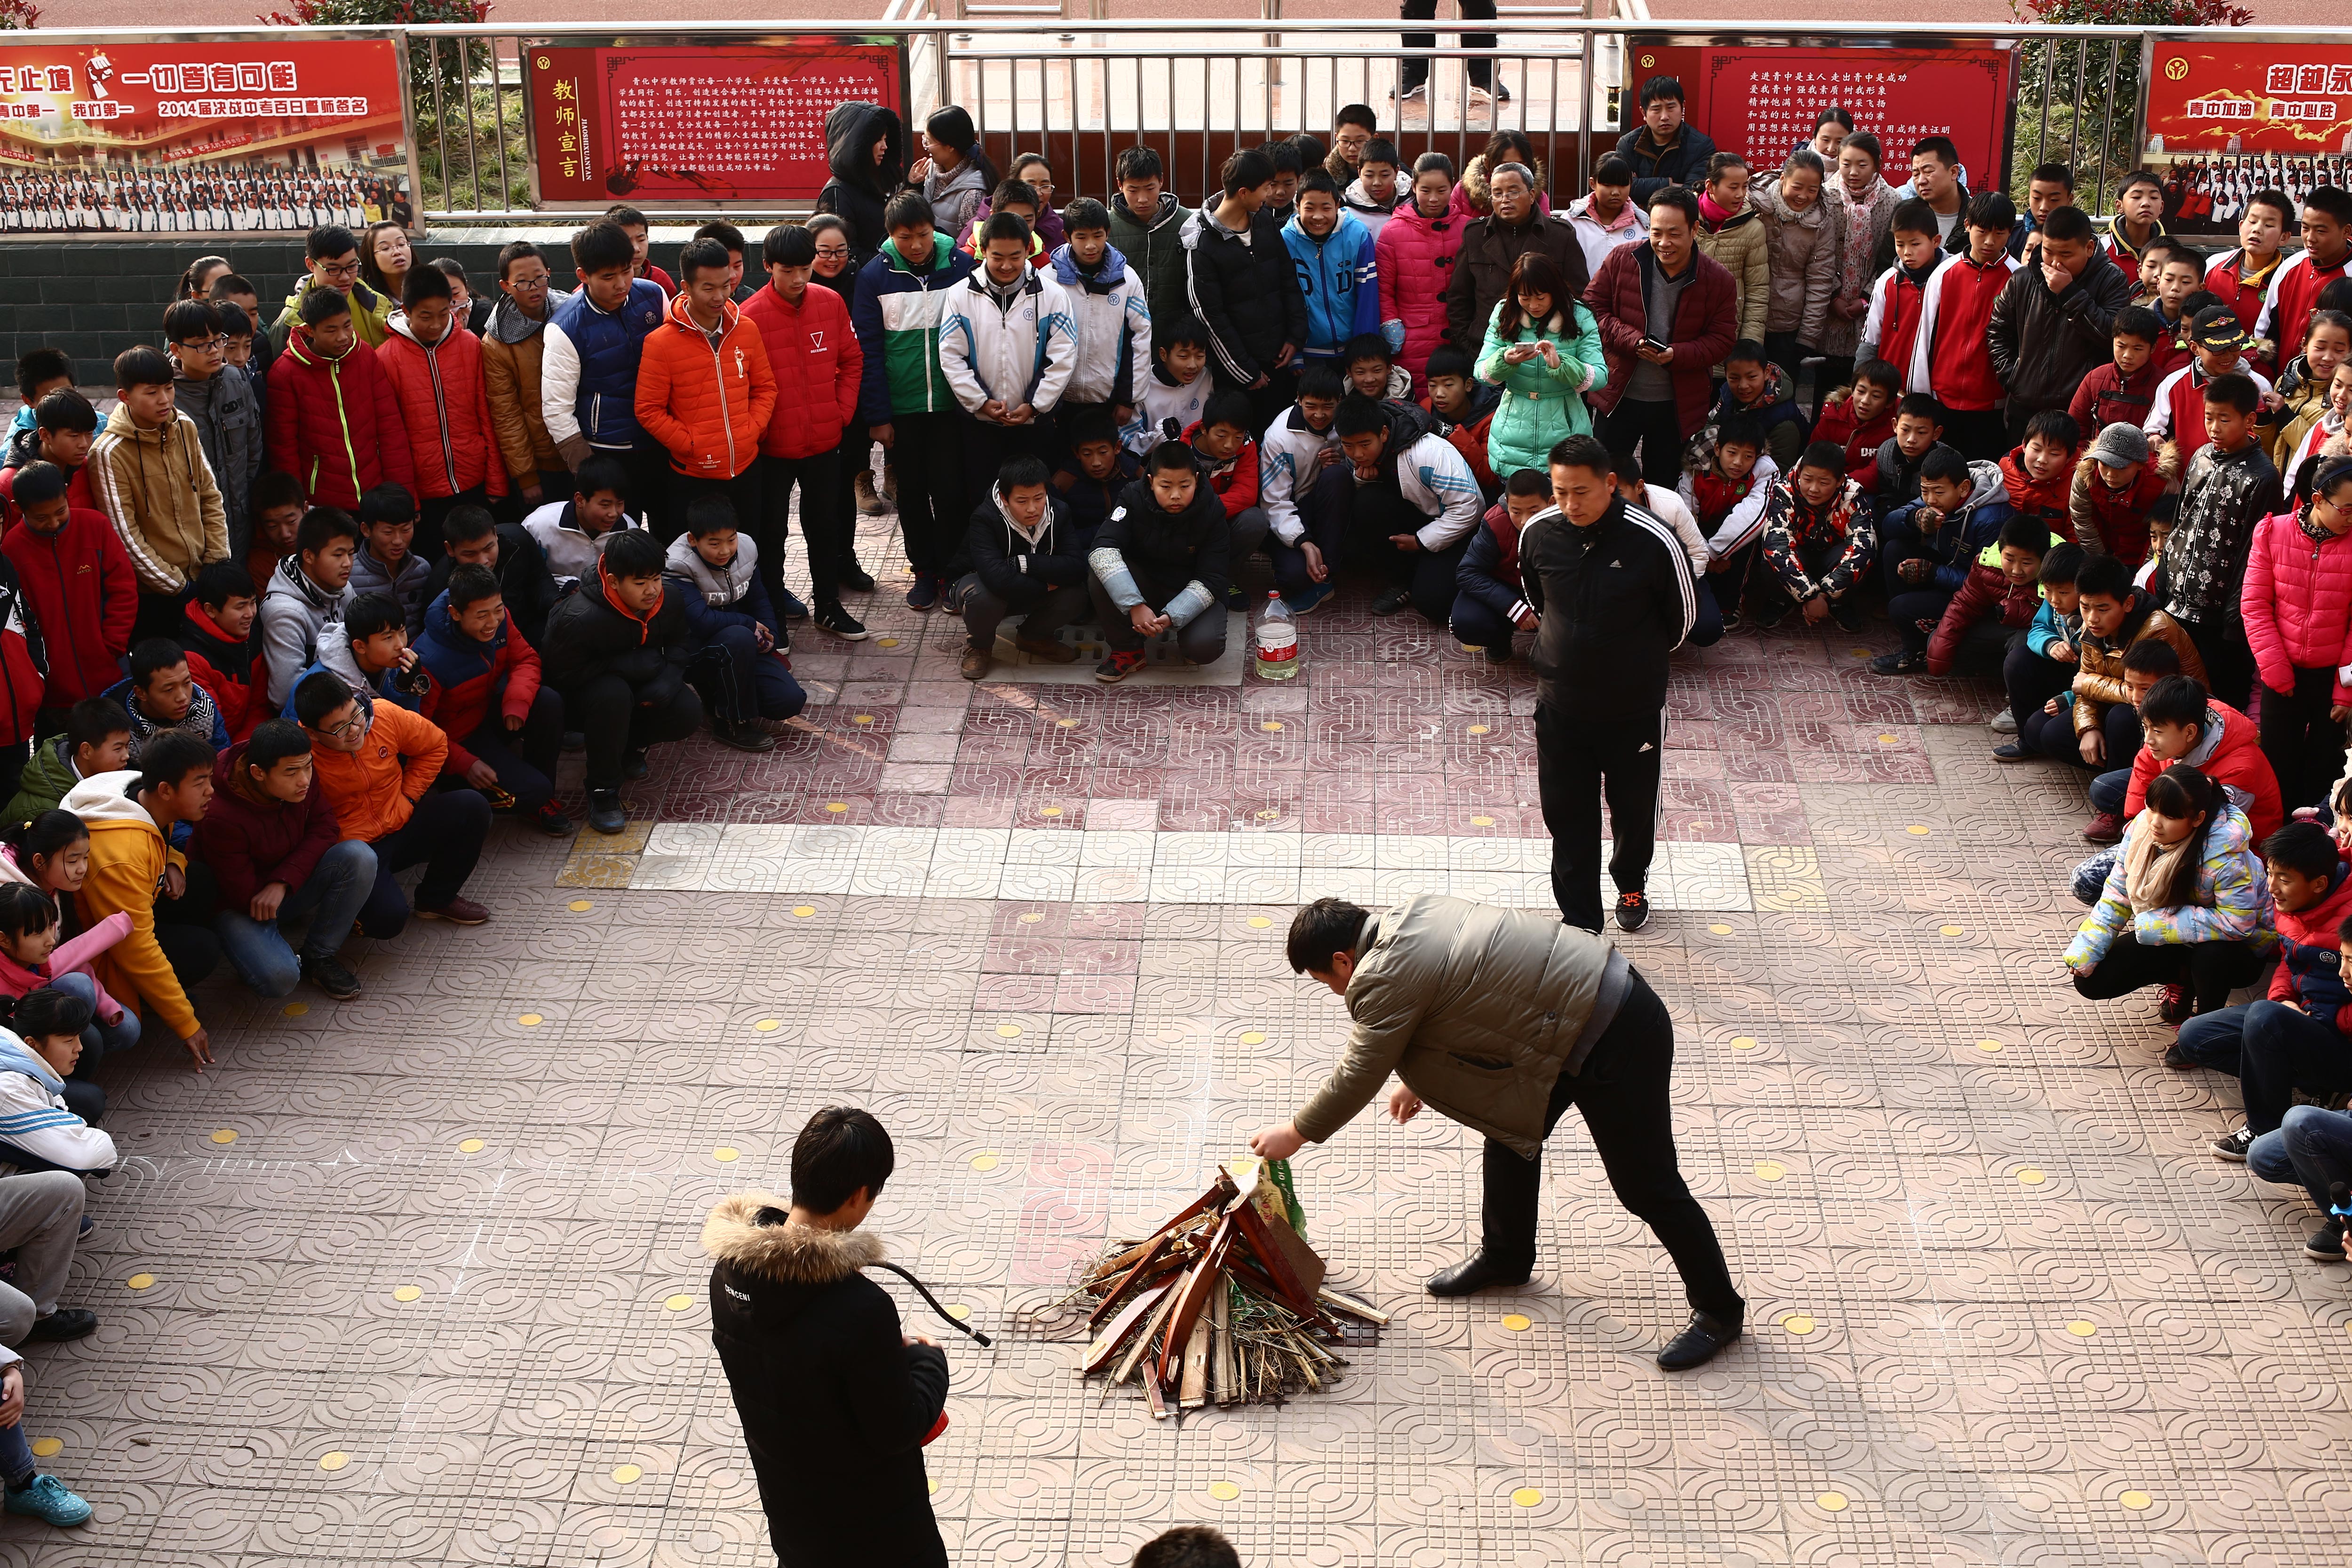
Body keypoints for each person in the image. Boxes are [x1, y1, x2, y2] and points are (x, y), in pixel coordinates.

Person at [1247, 895, 1744, 1369]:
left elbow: (1359, 1070)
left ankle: (1719, 1312)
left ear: (1341, 961)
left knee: (1647, 1186)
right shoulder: (1411, 916)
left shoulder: (1380, 974)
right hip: (1569, 1019)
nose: (1334, 992)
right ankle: (1506, 1258)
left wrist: (1295, 1132)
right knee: (1507, 1131)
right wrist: (1410, 1079)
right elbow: (1454, 998)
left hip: (1616, 1033)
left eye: (1324, 982)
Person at [702, 1106, 950, 1568]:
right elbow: (897, 1428)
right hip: (880, 1537)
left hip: (797, 1527)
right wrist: (928, 1363)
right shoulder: (861, 1309)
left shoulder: (728, 1277)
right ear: (859, 1195)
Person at [1519, 435, 1695, 931]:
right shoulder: (1537, 532)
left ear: (1610, 484)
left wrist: (1629, 664)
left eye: (1581, 492)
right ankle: (1580, 924)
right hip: (1560, 707)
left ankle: (1631, 882)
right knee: (1567, 817)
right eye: (1559, 492)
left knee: (1632, 809)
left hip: (1631, 709)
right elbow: (1538, 599)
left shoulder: (1654, 539)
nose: (1569, 504)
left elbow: (1682, 622)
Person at [2174, 823, 2352, 1144]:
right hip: (2302, 1018)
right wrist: (2283, 999)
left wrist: (2335, 1019)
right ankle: (2312, 1086)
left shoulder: (2348, 921)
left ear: (2319, 884)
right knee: (2194, 1037)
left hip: (2342, 1041)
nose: (2271, 887)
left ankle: (2263, 1130)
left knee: (2264, 1018)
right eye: (2270, 873)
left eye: (2284, 879)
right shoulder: (2291, 905)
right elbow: (2289, 961)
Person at [735, 225, 865, 640]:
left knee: (825, 526)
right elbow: (744, 386)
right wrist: (760, 428)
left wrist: (841, 412)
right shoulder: (749, 316)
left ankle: (828, 606)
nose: (798, 279)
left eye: (805, 269)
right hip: (772, 448)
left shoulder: (831, 303)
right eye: (787, 270)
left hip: (825, 442)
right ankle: (774, 610)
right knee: (771, 533)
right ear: (768, 266)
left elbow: (851, 359)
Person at [64, 731, 221, 1071]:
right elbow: (135, 947)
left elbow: (155, 839)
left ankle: (159, 996)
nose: (211, 791)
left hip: (129, 908)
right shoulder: (124, 856)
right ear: (166, 789)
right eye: (200, 783)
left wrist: (172, 860)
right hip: (93, 950)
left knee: (201, 881)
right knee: (203, 950)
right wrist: (186, 1022)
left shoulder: (136, 792)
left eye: (210, 779)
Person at [2067, 763, 2272, 1024]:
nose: (2156, 822)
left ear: (2197, 818)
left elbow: (2239, 924)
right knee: (2092, 981)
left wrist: (2165, 923)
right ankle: (2183, 980)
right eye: (2152, 808)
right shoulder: (2141, 829)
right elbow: (2118, 893)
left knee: (2211, 957)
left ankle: (2206, 1028)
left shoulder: (2227, 859)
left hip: (2238, 949)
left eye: (2170, 816)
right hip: (2179, 935)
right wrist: (2090, 946)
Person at [853, 191, 979, 613]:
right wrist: (878, 416)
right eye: (905, 237)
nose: (917, 245)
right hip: (902, 410)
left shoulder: (962, 266)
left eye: (923, 234)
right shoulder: (874, 276)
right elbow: (868, 351)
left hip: (953, 404)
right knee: (910, 492)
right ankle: (924, 571)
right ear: (890, 236)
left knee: (950, 490)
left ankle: (951, 570)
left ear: (934, 229)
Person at [294, 670, 490, 933]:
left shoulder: (383, 715)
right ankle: (344, 908)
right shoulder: (298, 758)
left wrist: (408, 796)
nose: (354, 730)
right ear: (312, 733)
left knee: (471, 806)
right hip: (356, 852)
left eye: (356, 715)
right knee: (387, 922)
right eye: (339, 728)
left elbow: (435, 745)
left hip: (401, 821)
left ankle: (436, 899)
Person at [193, 718, 371, 1001]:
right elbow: (240, 891)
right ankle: (254, 950)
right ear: (258, 773)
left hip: (284, 885)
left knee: (359, 856)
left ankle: (319, 957)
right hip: (237, 904)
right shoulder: (220, 815)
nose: (304, 780)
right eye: (291, 773)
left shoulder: (302, 777)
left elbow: (326, 827)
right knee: (280, 978)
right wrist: (281, 884)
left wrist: (283, 881)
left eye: (308, 766)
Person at [538, 528, 702, 835]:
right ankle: (603, 792)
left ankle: (627, 746)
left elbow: (681, 643)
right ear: (613, 581)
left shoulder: (670, 598)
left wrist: (669, 678)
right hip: (583, 698)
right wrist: (625, 665)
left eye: (656, 578)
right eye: (641, 583)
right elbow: (559, 674)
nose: (652, 590)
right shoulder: (579, 617)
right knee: (612, 696)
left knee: (687, 711)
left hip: (636, 683)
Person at [1585, 189, 1739, 486]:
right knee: (1604, 480)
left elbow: (1722, 340)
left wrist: (1677, 355)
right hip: (1619, 396)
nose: (1664, 243)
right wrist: (1632, 340)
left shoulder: (1718, 279)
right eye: (1657, 233)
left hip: (1676, 406)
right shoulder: (1621, 259)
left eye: (1674, 234)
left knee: (1661, 487)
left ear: (1695, 229)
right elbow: (1592, 309)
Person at [635, 237, 776, 548]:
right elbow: (648, 409)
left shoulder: (747, 329)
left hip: (746, 466)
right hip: (693, 475)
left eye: (726, 285)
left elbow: (766, 387)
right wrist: (690, 445)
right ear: (686, 286)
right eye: (708, 288)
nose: (720, 296)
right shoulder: (661, 343)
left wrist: (751, 431)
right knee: (696, 559)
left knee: (749, 549)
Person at [413, 565, 570, 835]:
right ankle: (458, 789)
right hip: (454, 742)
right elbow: (417, 731)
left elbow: (526, 659)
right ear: (455, 614)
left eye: (498, 610)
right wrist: (464, 763)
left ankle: (538, 798)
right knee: (535, 791)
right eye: (482, 616)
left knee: (547, 701)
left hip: (484, 713)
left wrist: (516, 703)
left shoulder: (501, 621)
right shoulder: (428, 661)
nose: (493, 622)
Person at [91, 346, 229, 642]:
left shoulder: (185, 427)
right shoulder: (109, 453)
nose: (164, 400)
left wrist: (217, 561)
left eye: (169, 388)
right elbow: (126, 535)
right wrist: (179, 586)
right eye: (152, 392)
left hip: (204, 578)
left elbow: (209, 495)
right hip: (156, 595)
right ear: (125, 397)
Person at [939, 212, 1079, 502]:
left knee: (1035, 501)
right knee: (983, 499)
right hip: (980, 424)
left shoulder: (1053, 296)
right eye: (997, 257)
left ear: (1029, 250)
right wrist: (981, 403)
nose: (1006, 265)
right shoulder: (959, 296)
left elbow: (1063, 356)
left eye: (1015, 256)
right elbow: (952, 356)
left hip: (1035, 424)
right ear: (983, 251)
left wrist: (1035, 405)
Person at [2164, 372, 2284, 708]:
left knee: (2219, 701)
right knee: (2173, 695)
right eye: (2208, 417)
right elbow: (2180, 520)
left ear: (2249, 420)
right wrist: (2165, 575)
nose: (2214, 427)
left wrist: (2234, 620)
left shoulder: (2263, 476)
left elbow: (2253, 554)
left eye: (2224, 419)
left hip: (2221, 618)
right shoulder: (2201, 455)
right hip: (2178, 603)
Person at [2241, 458, 2352, 809]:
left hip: (2333, 677)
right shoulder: (2273, 533)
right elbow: (2255, 605)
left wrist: (2344, 690)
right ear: (2318, 500)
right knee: (2278, 765)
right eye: (2346, 509)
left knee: (2324, 768)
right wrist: (2275, 670)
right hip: (2280, 674)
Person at [2047, 555, 2203, 793]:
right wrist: (2089, 728)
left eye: (2103, 609)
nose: (2092, 618)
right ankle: (2116, 774)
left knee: (2120, 718)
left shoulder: (2157, 629)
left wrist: (2090, 684)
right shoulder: (2093, 626)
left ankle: (2118, 799)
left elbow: (2150, 694)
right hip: (2122, 700)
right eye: (2085, 607)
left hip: (2167, 714)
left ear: (2128, 604)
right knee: (2048, 733)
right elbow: (2083, 682)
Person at [543, 218, 669, 513]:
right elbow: (556, 409)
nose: (622, 283)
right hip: (608, 451)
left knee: (670, 532)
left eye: (627, 271)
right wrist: (589, 470)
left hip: (661, 441)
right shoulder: (565, 328)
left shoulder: (653, 296)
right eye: (608, 276)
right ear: (583, 275)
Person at [0, 460, 135, 730]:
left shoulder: (95, 526)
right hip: (55, 691)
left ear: (66, 492)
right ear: (18, 509)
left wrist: (113, 644)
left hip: (111, 673)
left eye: (60, 511)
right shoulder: (12, 550)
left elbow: (124, 589)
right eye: (41, 518)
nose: (53, 522)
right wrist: (41, 672)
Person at [378, 266, 507, 550]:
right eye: (426, 316)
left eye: (443, 313)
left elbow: (486, 413)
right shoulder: (387, 358)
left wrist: (496, 479)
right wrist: (407, 498)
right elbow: (390, 435)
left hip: (473, 478)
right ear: (407, 311)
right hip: (424, 490)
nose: (436, 324)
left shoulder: (470, 344)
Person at [1323, 393, 1481, 622]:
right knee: (1366, 505)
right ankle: (1402, 579)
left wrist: (1420, 541)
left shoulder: (1429, 454)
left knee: (1434, 604)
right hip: (1415, 516)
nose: (1357, 454)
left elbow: (1471, 507)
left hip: (1457, 528)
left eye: (1365, 445)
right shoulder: (1354, 448)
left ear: (1384, 433)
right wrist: (1362, 481)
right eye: (1349, 446)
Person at [1184, 149, 1311, 432]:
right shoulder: (1202, 243)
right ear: (1243, 192)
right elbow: (1209, 316)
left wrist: (1295, 336)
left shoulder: (1264, 219)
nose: (1271, 194)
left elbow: (1287, 279)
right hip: (1239, 375)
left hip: (1279, 361)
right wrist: (1246, 372)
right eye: (1266, 188)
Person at [1084, 440, 1232, 682]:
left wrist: (1175, 615)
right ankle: (1128, 650)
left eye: (1185, 486)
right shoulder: (1132, 497)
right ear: (1151, 482)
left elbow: (1213, 577)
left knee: (1205, 648)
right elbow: (1103, 549)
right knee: (1100, 570)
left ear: (1196, 479)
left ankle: (1187, 638)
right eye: (1166, 486)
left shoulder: (1212, 510)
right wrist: (1134, 605)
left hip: (1191, 586)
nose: (1176, 496)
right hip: (1145, 584)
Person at [264, 287, 415, 521]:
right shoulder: (285, 374)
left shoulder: (365, 355)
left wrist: (404, 497)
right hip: (322, 503)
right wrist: (296, 506)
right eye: (331, 330)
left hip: (373, 494)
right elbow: (285, 449)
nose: (343, 337)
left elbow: (390, 428)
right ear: (310, 330)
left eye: (347, 325)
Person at [663, 500, 804, 749]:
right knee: (738, 637)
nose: (725, 551)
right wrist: (751, 625)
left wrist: (769, 635)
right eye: (714, 543)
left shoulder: (748, 548)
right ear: (693, 540)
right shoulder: (677, 565)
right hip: (695, 650)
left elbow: (759, 597)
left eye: (731, 539)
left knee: (789, 702)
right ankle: (731, 721)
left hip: (741, 643)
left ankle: (721, 694)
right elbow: (702, 621)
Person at [1988, 205, 2137, 438]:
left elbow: (2113, 337)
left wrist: (2069, 293)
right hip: (2025, 406)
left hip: (2081, 410)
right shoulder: (2023, 278)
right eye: (2048, 252)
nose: (2056, 262)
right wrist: (2013, 377)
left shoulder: (2112, 279)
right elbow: (1998, 332)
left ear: (2089, 248)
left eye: (2066, 255)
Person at [1874, 449, 2016, 674]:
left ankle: (1917, 650)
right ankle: (1913, 640)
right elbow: (1887, 526)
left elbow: (1987, 586)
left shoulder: (1991, 519)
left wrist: (1932, 573)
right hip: (1949, 572)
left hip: (1977, 600)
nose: (1930, 500)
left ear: (1963, 488)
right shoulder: (1937, 495)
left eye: (1938, 492)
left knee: (1901, 608)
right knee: (1895, 549)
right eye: (1924, 492)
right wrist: (1914, 519)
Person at [951, 455, 1088, 681]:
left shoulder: (1060, 512)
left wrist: (1025, 563)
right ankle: (980, 646)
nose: (1033, 509)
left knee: (1076, 594)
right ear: (1005, 498)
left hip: (1024, 585)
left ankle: (1033, 637)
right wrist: (1044, 587)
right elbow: (995, 577)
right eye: (1022, 501)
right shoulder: (985, 518)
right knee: (982, 595)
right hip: (984, 587)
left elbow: (1076, 566)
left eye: (1039, 498)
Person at [1474, 250, 1606, 480]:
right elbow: (1481, 372)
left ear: (1554, 291)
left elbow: (1600, 376)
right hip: (1513, 432)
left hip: (1566, 431)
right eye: (1524, 298)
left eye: (1541, 298)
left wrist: (1562, 365)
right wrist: (1505, 361)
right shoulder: (1505, 312)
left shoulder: (1579, 315)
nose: (1533, 305)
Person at [1909, 193, 2020, 459]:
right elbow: (1924, 335)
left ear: (2011, 233)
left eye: (2000, 233)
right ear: (1968, 225)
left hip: (1992, 404)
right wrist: (1921, 395)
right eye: (1982, 231)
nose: (1990, 241)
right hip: (1942, 399)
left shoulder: (2018, 278)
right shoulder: (1945, 273)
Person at [1444, 161, 1583, 370]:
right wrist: (1467, 344)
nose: (1505, 200)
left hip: (1546, 353)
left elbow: (1579, 295)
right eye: (1497, 193)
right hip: (1486, 351)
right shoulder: (1475, 235)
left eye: (1513, 192)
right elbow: (1459, 298)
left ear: (1532, 194)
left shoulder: (1560, 235)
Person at [164, 298, 262, 557]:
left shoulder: (236, 379)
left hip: (239, 517)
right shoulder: (166, 398)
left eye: (219, 340)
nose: (215, 351)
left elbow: (254, 444)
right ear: (176, 349)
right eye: (203, 345)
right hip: (193, 526)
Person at [1048, 199, 1152, 437]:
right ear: (1067, 236)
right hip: (1058, 399)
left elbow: (1139, 339)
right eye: (1082, 237)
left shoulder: (1127, 280)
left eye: (1098, 236)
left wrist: (1129, 399)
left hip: (1109, 399)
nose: (1091, 245)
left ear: (1108, 233)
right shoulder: (1049, 279)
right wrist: (1043, 399)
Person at [480, 241, 568, 513]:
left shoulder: (570, 311)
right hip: (542, 462)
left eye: (540, 278)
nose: (533, 287)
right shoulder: (497, 342)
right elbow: (506, 413)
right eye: (522, 282)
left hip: (582, 448)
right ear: (505, 285)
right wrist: (526, 476)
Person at [1749, 441, 1873, 632]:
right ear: (1800, 474)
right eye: (1807, 479)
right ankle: (1781, 601)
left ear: (1840, 480)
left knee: (1860, 558)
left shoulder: (1853, 494)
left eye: (1824, 483)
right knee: (1770, 556)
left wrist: (1824, 596)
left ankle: (1838, 603)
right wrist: (1809, 596)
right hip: (1799, 556)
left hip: (1832, 561)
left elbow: (1864, 548)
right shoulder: (1785, 491)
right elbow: (1777, 544)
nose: (1814, 489)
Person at [1749, 149, 1838, 394]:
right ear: (1782, 179)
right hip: (1749, 317)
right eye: (1797, 187)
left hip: (1789, 325)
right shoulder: (1755, 205)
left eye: (1813, 190)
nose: (1803, 196)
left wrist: (1808, 338)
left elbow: (1821, 279)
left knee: (1781, 393)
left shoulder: (1822, 221)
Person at [258, 505, 360, 711]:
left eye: (351, 553)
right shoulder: (285, 613)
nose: (348, 563)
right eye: (338, 555)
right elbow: (285, 695)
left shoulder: (343, 587)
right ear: (309, 556)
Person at [1926, 513, 2052, 678]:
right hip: (1997, 628)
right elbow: (1965, 605)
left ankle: (2019, 687)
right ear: (2001, 552)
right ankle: (2000, 673)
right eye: (2009, 559)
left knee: (2023, 649)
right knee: (1938, 643)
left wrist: (2017, 611)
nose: (2016, 570)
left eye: (2027, 563)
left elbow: (2057, 622)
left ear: (2043, 559)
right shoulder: (1986, 565)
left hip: (2036, 637)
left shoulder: (2056, 574)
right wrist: (1939, 654)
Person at [3, 980, 125, 1150]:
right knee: (89, 1105)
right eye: (69, 1041)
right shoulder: (15, 1088)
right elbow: (80, 1155)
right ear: (31, 1044)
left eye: (77, 1037)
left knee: (92, 1042)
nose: (79, 1047)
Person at [1378, 153, 1462, 394]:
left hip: (1458, 336)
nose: (1434, 199)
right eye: (1425, 190)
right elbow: (1384, 290)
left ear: (1453, 186)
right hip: (1411, 339)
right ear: (1414, 186)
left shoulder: (1468, 228)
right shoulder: (1393, 232)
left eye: (1442, 190)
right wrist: (1391, 327)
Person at [1284, 172, 1382, 375]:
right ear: (1297, 206)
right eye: (1309, 208)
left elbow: (1368, 298)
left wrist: (1361, 354)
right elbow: (1282, 300)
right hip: (1308, 352)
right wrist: (1295, 353)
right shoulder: (1285, 241)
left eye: (1326, 208)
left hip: (1350, 349)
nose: (1318, 216)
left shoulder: (1357, 235)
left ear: (1338, 205)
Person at [2149, 308, 2275, 464]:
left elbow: (2268, 443)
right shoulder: (2173, 384)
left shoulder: (2258, 385)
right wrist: (2155, 438)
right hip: (2187, 481)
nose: (2228, 355)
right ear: (2195, 348)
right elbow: (2154, 430)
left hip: (2243, 481)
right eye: (2218, 349)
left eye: (2235, 346)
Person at [1451, 468, 1549, 662]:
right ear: (1507, 504)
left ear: (1552, 503)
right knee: (1466, 622)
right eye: (1516, 512)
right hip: (1510, 589)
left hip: (1552, 591)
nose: (1525, 520)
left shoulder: (1570, 517)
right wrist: (1514, 608)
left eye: (1534, 511)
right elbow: (1467, 573)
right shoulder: (1496, 522)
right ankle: (1499, 640)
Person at [2256, 186, 2352, 372]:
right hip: (2281, 386)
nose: (2310, 238)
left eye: (2321, 231)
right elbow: (2266, 330)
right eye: (2305, 228)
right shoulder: (2290, 266)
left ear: (2346, 231)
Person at [1856, 200, 1949, 390]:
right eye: (1900, 244)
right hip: (1892, 388)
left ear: (1936, 241)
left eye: (1916, 244)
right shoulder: (1887, 281)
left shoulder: (1952, 276)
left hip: (1940, 388)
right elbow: (1871, 341)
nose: (1907, 253)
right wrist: (1860, 385)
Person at [521, 455, 646, 592]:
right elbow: (527, 574)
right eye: (605, 505)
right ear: (580, 500)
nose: (614, 513)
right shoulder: (538, 525)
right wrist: (566, 585)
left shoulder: (628, 532)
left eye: (620, 504)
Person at [1106, 146, 1194, 332]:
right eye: (1133, 190)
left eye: (1150, 188)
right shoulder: (1105, 226)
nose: (1142, 199)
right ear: (1120, 185)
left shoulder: (1186, 222)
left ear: (1161, 181)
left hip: (1174, 331)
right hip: (1120, 329)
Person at [266, 223, 392, 351]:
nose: (345, 277)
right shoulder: (289, 323)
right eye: (334, 269)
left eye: (351, 267)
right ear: (310, 264)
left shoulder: (377, 307)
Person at [1, 699, 127, 824]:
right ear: (86, 751)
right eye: (118, 749)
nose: (126, 756)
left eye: (127, 746)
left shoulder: (113, 781)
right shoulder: (42, 812)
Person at [103, 637, 227, 760]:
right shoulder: (117, 728)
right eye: (169, 690)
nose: (182, 697)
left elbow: (222, 763)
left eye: (187, 683)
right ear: (141, 693)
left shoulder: (204, 706)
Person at [813, 101, 906, 263]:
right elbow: (847, 255)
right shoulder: (837, 193)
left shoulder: (877, 183)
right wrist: (894, 263)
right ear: (857, 145)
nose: (885, 147)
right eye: (878, 140)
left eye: (885, 139)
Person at [2203, 186, 2290, 350]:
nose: (2257, 229)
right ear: (2241, 226)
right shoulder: (2213, 265)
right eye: (2252, 221)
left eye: (2269, 225)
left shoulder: (2286, 281)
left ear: (2284, 237)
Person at [1699, 340, 1806, 472]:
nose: (1743, 386)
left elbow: (1778, 471)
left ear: (1767, 372)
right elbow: (1709, 424)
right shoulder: (1727, 393)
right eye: (1734, 378)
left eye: (1752, 377)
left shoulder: (1784, 420)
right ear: (1726, 374)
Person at [2068, 306, 2168, 438]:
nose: (2127, 355)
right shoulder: (2095, 378)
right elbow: (2076, 428)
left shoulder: (2165, 384)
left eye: (2137, 349)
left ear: (2153, 348)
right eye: (2121, 346)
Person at [1615, 76, 1718, 205]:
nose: (1664, 117)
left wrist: (1642, 186)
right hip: (1634, 221)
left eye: (1671, 108)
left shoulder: (1702, 146)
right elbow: (1620, 188)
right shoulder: (1627, 144)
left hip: (1679, 221)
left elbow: (1692, 195)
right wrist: (1671, 184)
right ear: (1644, 113)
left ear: (1683, 107)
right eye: (1656, 110)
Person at [1120, 316, 1213, 455]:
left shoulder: (1206, 377)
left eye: (1200, 356)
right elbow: (1129, 442)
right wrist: (1161, 435)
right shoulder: (1142, 384)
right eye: (1183, 356)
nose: (1193, 365)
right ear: (1164, 355)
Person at [347, 484, 431, 637]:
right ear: (366, 530)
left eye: (406, 530)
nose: (398, 541)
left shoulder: (422, 570)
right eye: (388, 532)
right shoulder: (348, 575)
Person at [1420, 345, 1502, 497]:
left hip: (1481, 496)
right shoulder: (1426, 409)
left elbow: (1490, 477)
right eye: (1432, 385)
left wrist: (1455, 435)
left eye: (1448, 385)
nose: (1439, 394)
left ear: (1468, 385)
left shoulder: (1491, 417)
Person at [1052, 408, 1141, 542]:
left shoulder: (1134, 473)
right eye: (1087, 454)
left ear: (1117, 447)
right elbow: (1060, 535)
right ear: (1076, 453)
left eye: (1103, 452)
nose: (1096, 463)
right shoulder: (1063, 482)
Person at [1998, 408, 2082, 542]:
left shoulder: (2078, 486)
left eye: (2054, 454)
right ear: (2025, 445)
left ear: (2069, 457)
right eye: (2037, 449)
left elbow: (2075, 541)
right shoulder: (2005, 466)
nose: (2042, 459)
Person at [1810, 358, 1901, 479]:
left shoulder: (1898, 426)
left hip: (1867, 491)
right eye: (1861, 391)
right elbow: (1813, 456)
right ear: (1853, 390)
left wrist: (1842, 485)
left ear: (1889, 402)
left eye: (1876, 396)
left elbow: (1875, 473)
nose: (1865, 401)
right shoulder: (1832, 415)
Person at [914, 105, 994, 244]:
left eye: (930, 142)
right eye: (925, 140)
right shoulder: (934, 168)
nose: (926, 147)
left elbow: (970, 247)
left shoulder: (973, 197)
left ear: (950, 147)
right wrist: (913, 185)